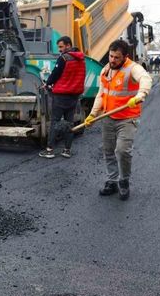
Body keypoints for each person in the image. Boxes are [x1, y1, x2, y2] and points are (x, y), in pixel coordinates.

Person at [84, 40, 152, 201]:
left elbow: (146, 79)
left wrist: (140, 95)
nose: (112, 60)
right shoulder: (105, 71)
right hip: (108, 117)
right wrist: (93, 114)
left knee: (122, 151)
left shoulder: (133, 68)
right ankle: (112, 181)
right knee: (108, 151)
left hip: (127, 118)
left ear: (125, 57)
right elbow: (101, 94)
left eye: (117, 57)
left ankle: (124, 181)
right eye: (111, 56)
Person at [39, 36, 85, 159]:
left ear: (68, 45)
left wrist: (47, 84)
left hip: (61, 96)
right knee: (69, 122)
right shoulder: (81, 58)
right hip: (74, 96)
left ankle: (50, 150)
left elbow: (55, 74)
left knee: (55, 121)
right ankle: (67, 150)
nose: (59, 49)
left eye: (61, 46)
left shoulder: (64, 58)